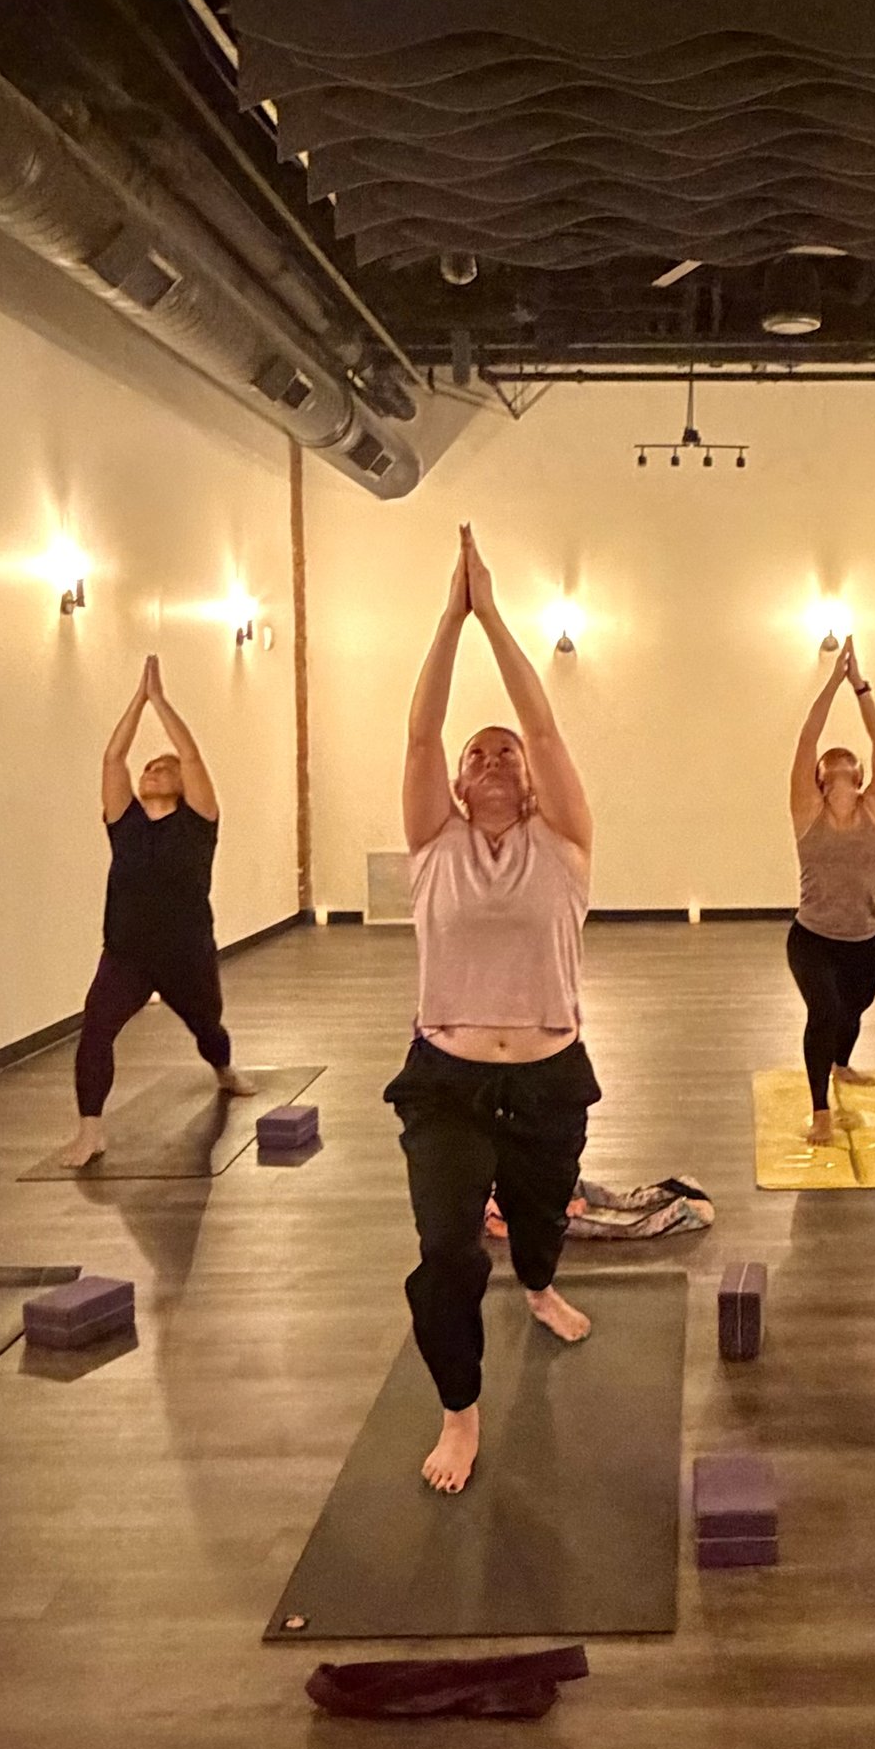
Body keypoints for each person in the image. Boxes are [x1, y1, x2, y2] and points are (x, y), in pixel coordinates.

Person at [392, 525, 599, 1495]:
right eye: (479, 752)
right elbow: (421, 733)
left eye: (506, 751)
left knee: (538, 1220)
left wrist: (498, 617)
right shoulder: (431, 845)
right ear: (459, 780)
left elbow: (548, 730)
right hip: (448, 1078)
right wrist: (450, 616)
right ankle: (459, 1414)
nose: (494, 756)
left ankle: (541, 1282)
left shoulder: (564, 844)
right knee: (444, 1253)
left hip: (550, 1073)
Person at [56, 654, 255, 1169]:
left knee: (208, 1027)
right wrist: (137, 701)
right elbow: (112, 760)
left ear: (183, 785)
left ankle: (223, 1069)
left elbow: (190, 756)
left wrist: (161, 703)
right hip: (125, 954)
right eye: (150, 767)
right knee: (96, 1031)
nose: (155, 770)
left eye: (164, 768)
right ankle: (90, 1130)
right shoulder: (124, 821)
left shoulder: (199, 821)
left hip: (186, 953)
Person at [786, 637, 875, 1146]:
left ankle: (841, 1064)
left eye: (845, 768)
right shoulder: (807, 814)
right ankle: (820, 1110)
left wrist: (861, 686)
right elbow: (807, 739)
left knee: (855, 1009)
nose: (835, 774)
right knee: (825, 1011)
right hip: (812, 938)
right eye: (826, 771)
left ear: (858, 777)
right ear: (820, 780)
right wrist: (832, 681)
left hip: (865, 938)